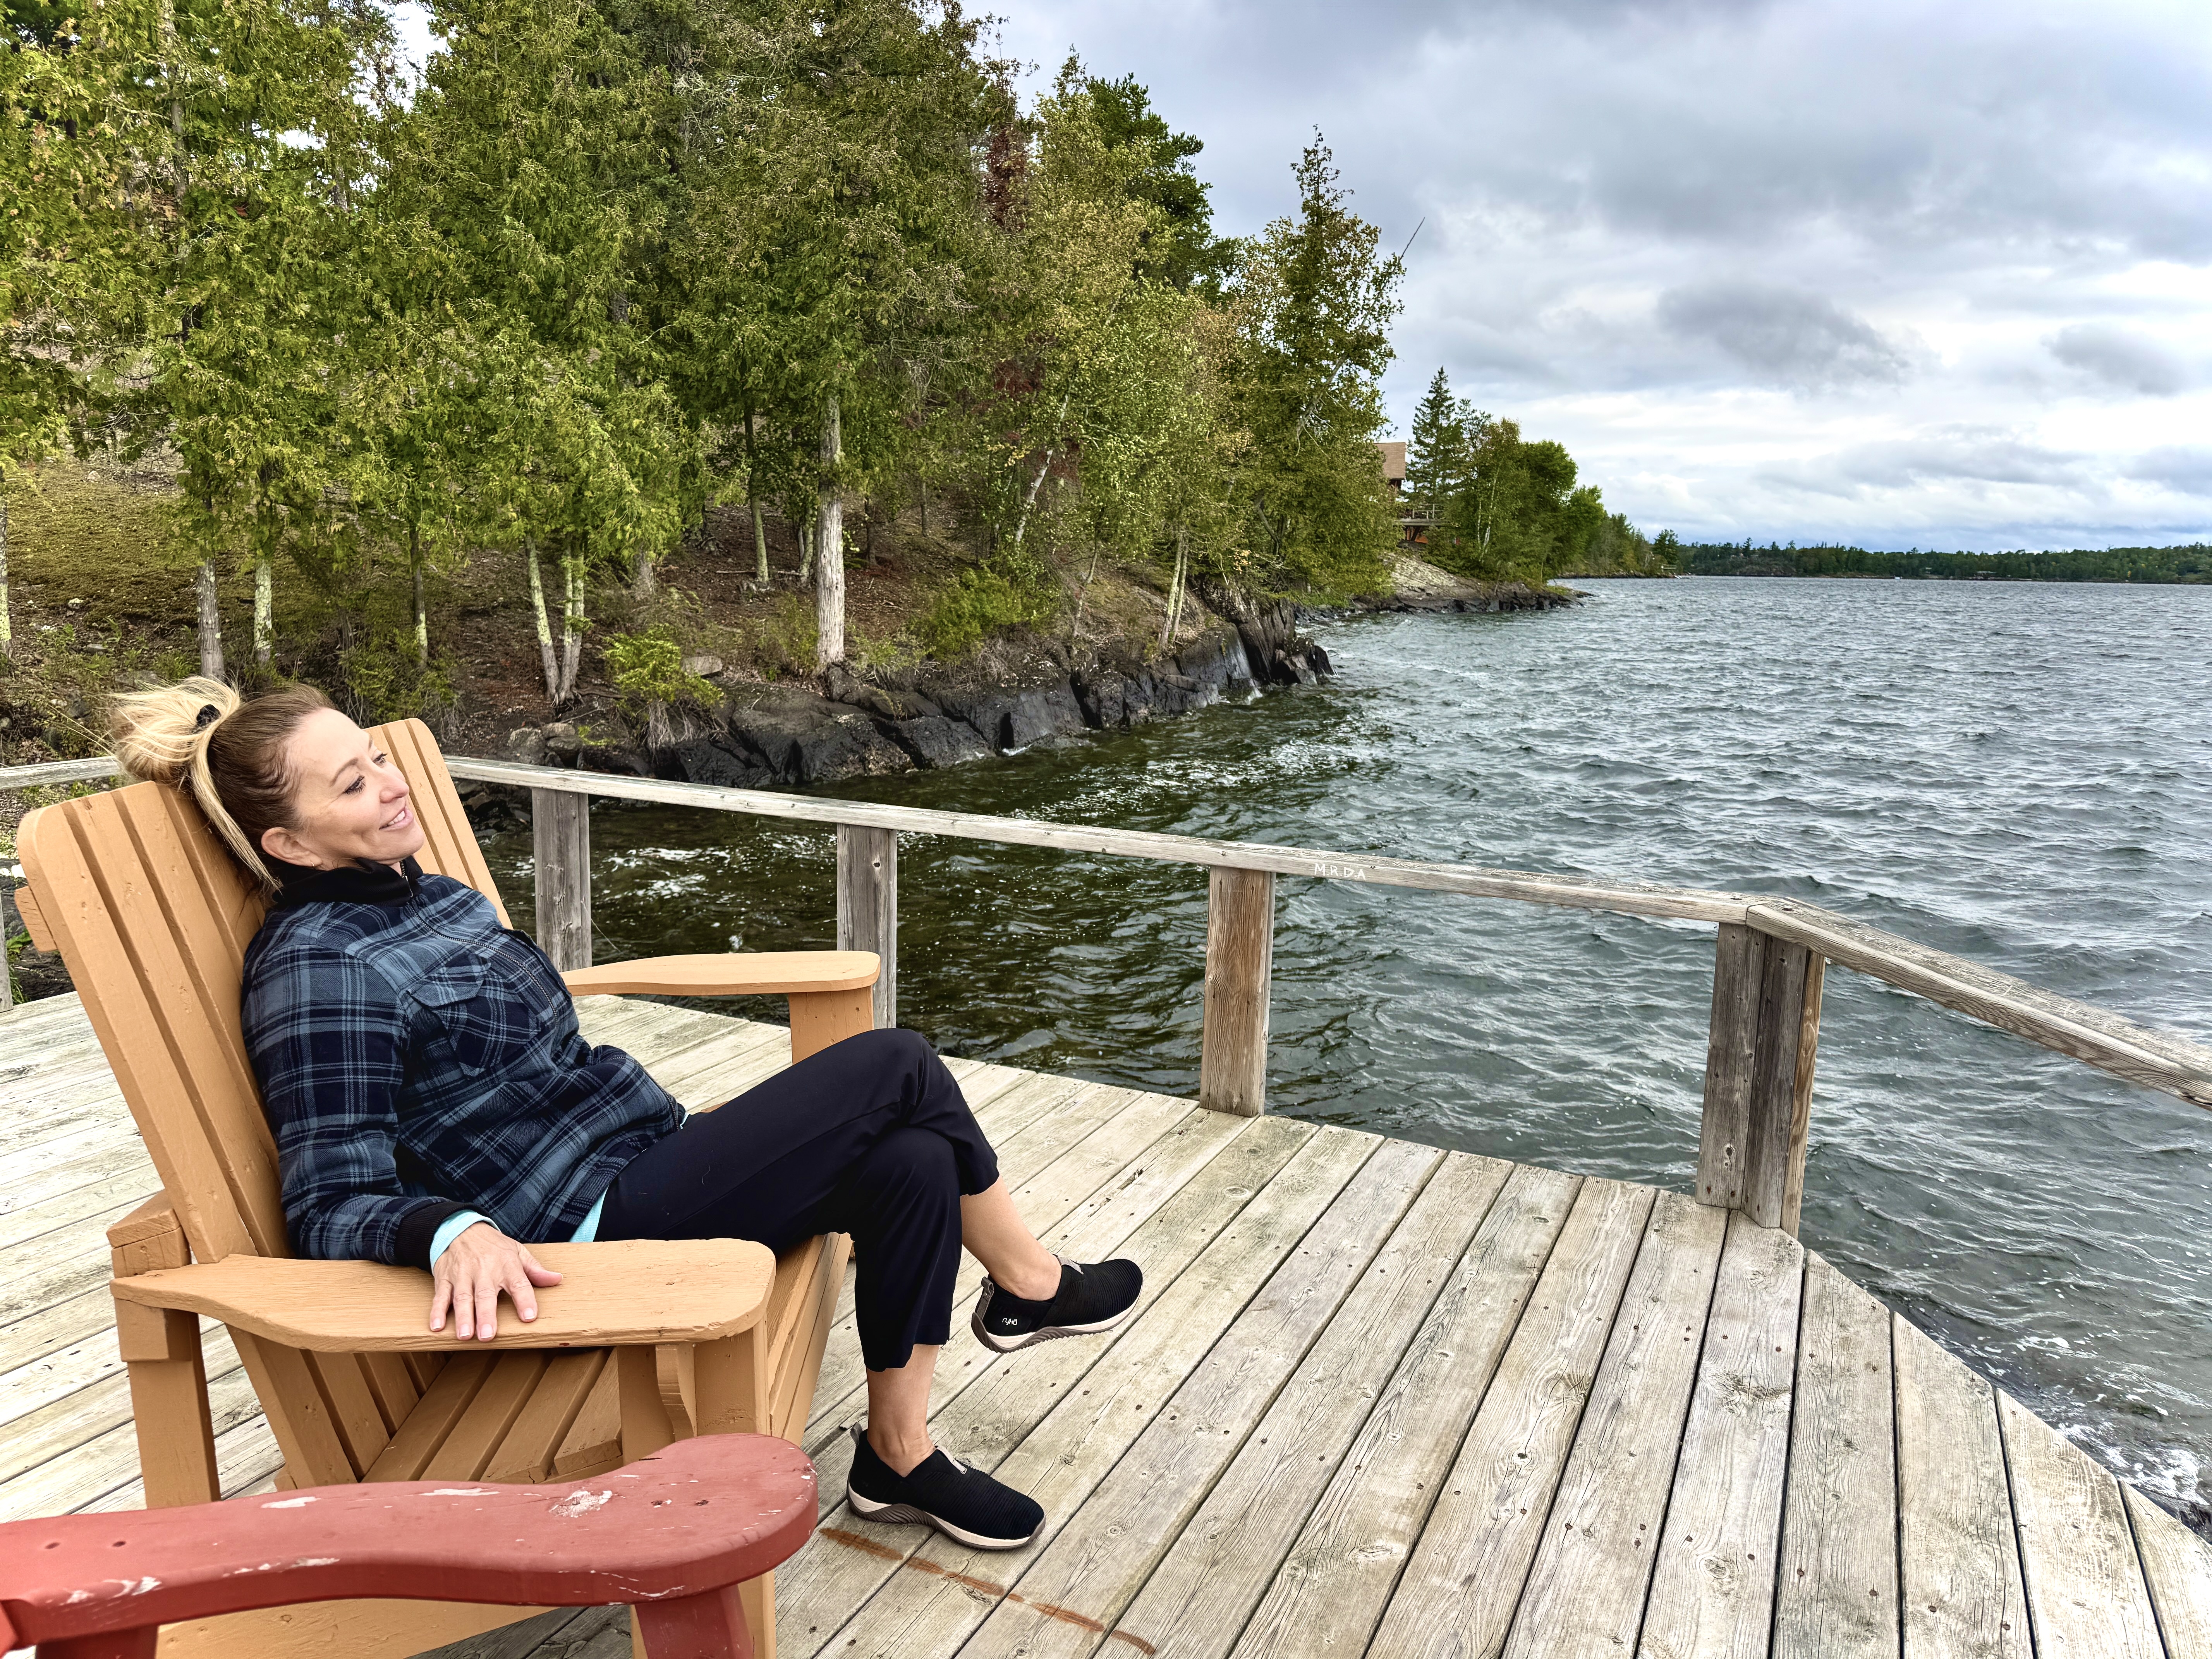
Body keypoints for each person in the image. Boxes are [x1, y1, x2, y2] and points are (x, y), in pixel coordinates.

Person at [110, 677, 1140, 1551]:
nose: (390, 783)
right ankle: (1030, 1283)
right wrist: (448, 1229)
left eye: (377, 757)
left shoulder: (421, 893)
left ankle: (897, 1456)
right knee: (895, 1065)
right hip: (581, 1241)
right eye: (352, 783)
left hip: (643, 1161)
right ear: (289, 841)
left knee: (913, 1160)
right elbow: (331, 1197)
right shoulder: (318, 970)